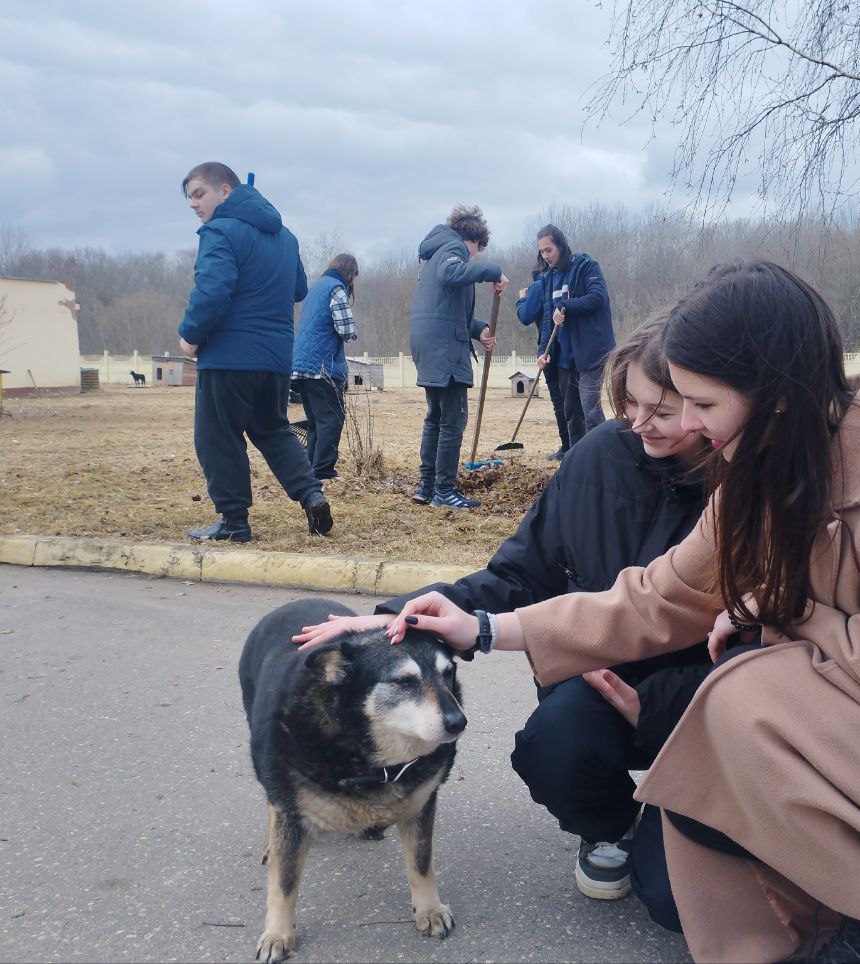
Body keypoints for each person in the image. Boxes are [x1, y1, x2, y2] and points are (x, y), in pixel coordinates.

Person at [397, 260, 860, 963]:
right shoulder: (758, 475)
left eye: (700, 403)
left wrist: (784, 610)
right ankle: (823, 927)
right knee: (684, 880)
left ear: (776, 395)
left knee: (745, 694)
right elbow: (657, 598)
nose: (686, 424)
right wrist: (481, 629)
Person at [292, 315, 711, 917]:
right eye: (631, 403)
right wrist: (389, 623)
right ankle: (618, 822)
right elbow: (518, 575)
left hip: (698, 701)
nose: (641, 423)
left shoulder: (740, 495)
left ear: (708, 407)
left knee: (677, 905)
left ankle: (688, 810)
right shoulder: (598, 459)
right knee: (553, 744)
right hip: (592, 684)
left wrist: (664, 701)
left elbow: (756, 647)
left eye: (663, 411)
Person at [177, 162, 332, 543]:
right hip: (276, 358)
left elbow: (212, 291)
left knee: (218, 436)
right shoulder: (286, 237)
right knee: (273, 429)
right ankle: (312, 495)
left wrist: (189, 336)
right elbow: (298, 288)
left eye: (200, 194)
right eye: (190, 198)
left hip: (229, 356)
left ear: (226, 190)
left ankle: (233, 522)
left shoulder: (218, 232)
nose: (194, 205)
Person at [409, 205, 507, 509]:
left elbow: (449, 309)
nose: (475, 257)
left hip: (430, 343)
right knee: (453, 419)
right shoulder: (453, 249)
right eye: (478, 251)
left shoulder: (436, 251)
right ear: (474, 240)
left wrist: (479, 331)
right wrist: (493, 271)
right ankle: (444, 491)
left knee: (435, 417)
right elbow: (452, 274)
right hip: (443, 347)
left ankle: (426, 486)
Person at [519, 225, 615, 452]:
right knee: (571, 411)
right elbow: (547, 322)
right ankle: (576, 458)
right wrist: (543, 352)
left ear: (561, 246)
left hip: (591, 351)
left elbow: (598, 298)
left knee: (590, 409)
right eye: (542, 252)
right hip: (565, 355)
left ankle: (602, 456)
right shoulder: (549, 278)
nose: (545, 256)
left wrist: (566, 305)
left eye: (549, 250)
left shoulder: (585, 266)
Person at [291, 253, 359, 481]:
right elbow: (346, 330)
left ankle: (311, 468)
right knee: (332, 418)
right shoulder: (335, 288)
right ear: (349, 272)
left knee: (315, 422)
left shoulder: (316, 288)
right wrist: (353, 332)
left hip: (301, 365)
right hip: (322, 367)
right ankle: (323, 471)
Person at [515, 236, 571, 460]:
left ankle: (567, 446)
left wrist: (521, 300)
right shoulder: (560, 281)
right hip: (564, 346)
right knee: (570, 399)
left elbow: (526, 316)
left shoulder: (538, 286)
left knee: (560, 400)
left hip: (550, 349)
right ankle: (571, 444)